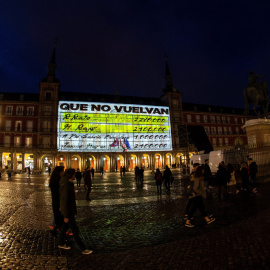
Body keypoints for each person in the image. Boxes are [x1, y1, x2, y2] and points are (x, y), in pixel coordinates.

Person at [58, 168, 92, 254]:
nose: (75, 176)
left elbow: (62, 198)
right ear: (71, 175)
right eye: (73, 174)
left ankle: (61, 242)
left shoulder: (65, 182)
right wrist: (66, 215)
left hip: (68, 210)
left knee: (65, 227)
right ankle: (83, 249)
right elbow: (65, 199)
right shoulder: (66, 185)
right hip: (69, 211)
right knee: (75, 231)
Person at [49, 166, 65, 232]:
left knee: (58, 218)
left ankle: (56, 229)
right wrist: (60, 205)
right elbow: (57, 194)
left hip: (56, 202)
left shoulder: (55, 180)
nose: (63, 172)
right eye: (62, 171)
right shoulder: (57, 181)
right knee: (59, 218)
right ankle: (60, 235)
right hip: (58, 202)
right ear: (59, 172)